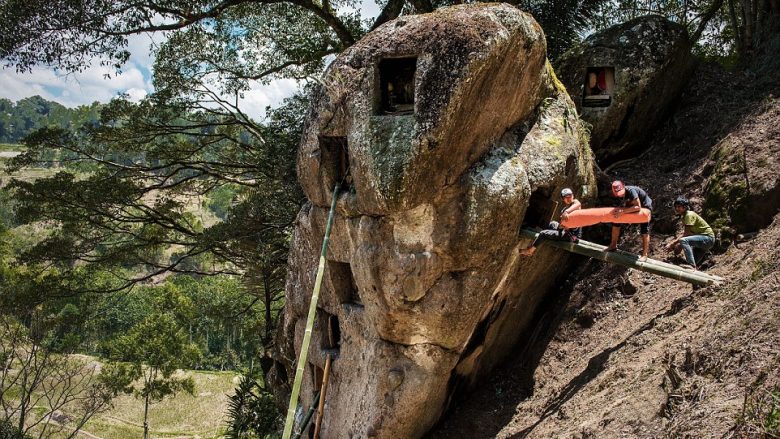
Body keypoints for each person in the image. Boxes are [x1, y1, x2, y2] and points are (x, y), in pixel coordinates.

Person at [519, 188, 582, 256]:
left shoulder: (575, 203)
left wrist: (566, 213)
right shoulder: (564, 209)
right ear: (563, 199)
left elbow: (578, 204)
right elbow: (562, 226)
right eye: (566, 197)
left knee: (543, 233)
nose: (568, 198)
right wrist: (562, 225)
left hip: (571, 236)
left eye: (570, 196)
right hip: (565, 231)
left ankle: (530, 250)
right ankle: (535, 229)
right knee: (552, 223)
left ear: (573, 195)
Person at [605, 180, 652, 260]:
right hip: (631, 207)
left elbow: (638, 207)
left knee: (644, 229)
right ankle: (613, 245)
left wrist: (623, 211)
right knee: (616, 220)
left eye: (620, 193)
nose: (619, 195)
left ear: (623, 187)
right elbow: (626, 204)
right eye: (617, 194)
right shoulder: (616, 194)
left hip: (644, 207)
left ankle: (645, 254)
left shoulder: (631, 191)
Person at [665, 197, 715, 270]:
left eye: (679, 206)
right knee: (690, 264)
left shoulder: (689, 215)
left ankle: (691, 265)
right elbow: (689, 233)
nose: (677, 209)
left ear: (685, 207)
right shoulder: (684, 216)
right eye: (676, 207)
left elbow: (686, 234)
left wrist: (673, 244)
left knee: (684, 241)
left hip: (707, 238)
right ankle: (693, 267)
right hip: (705, 240)